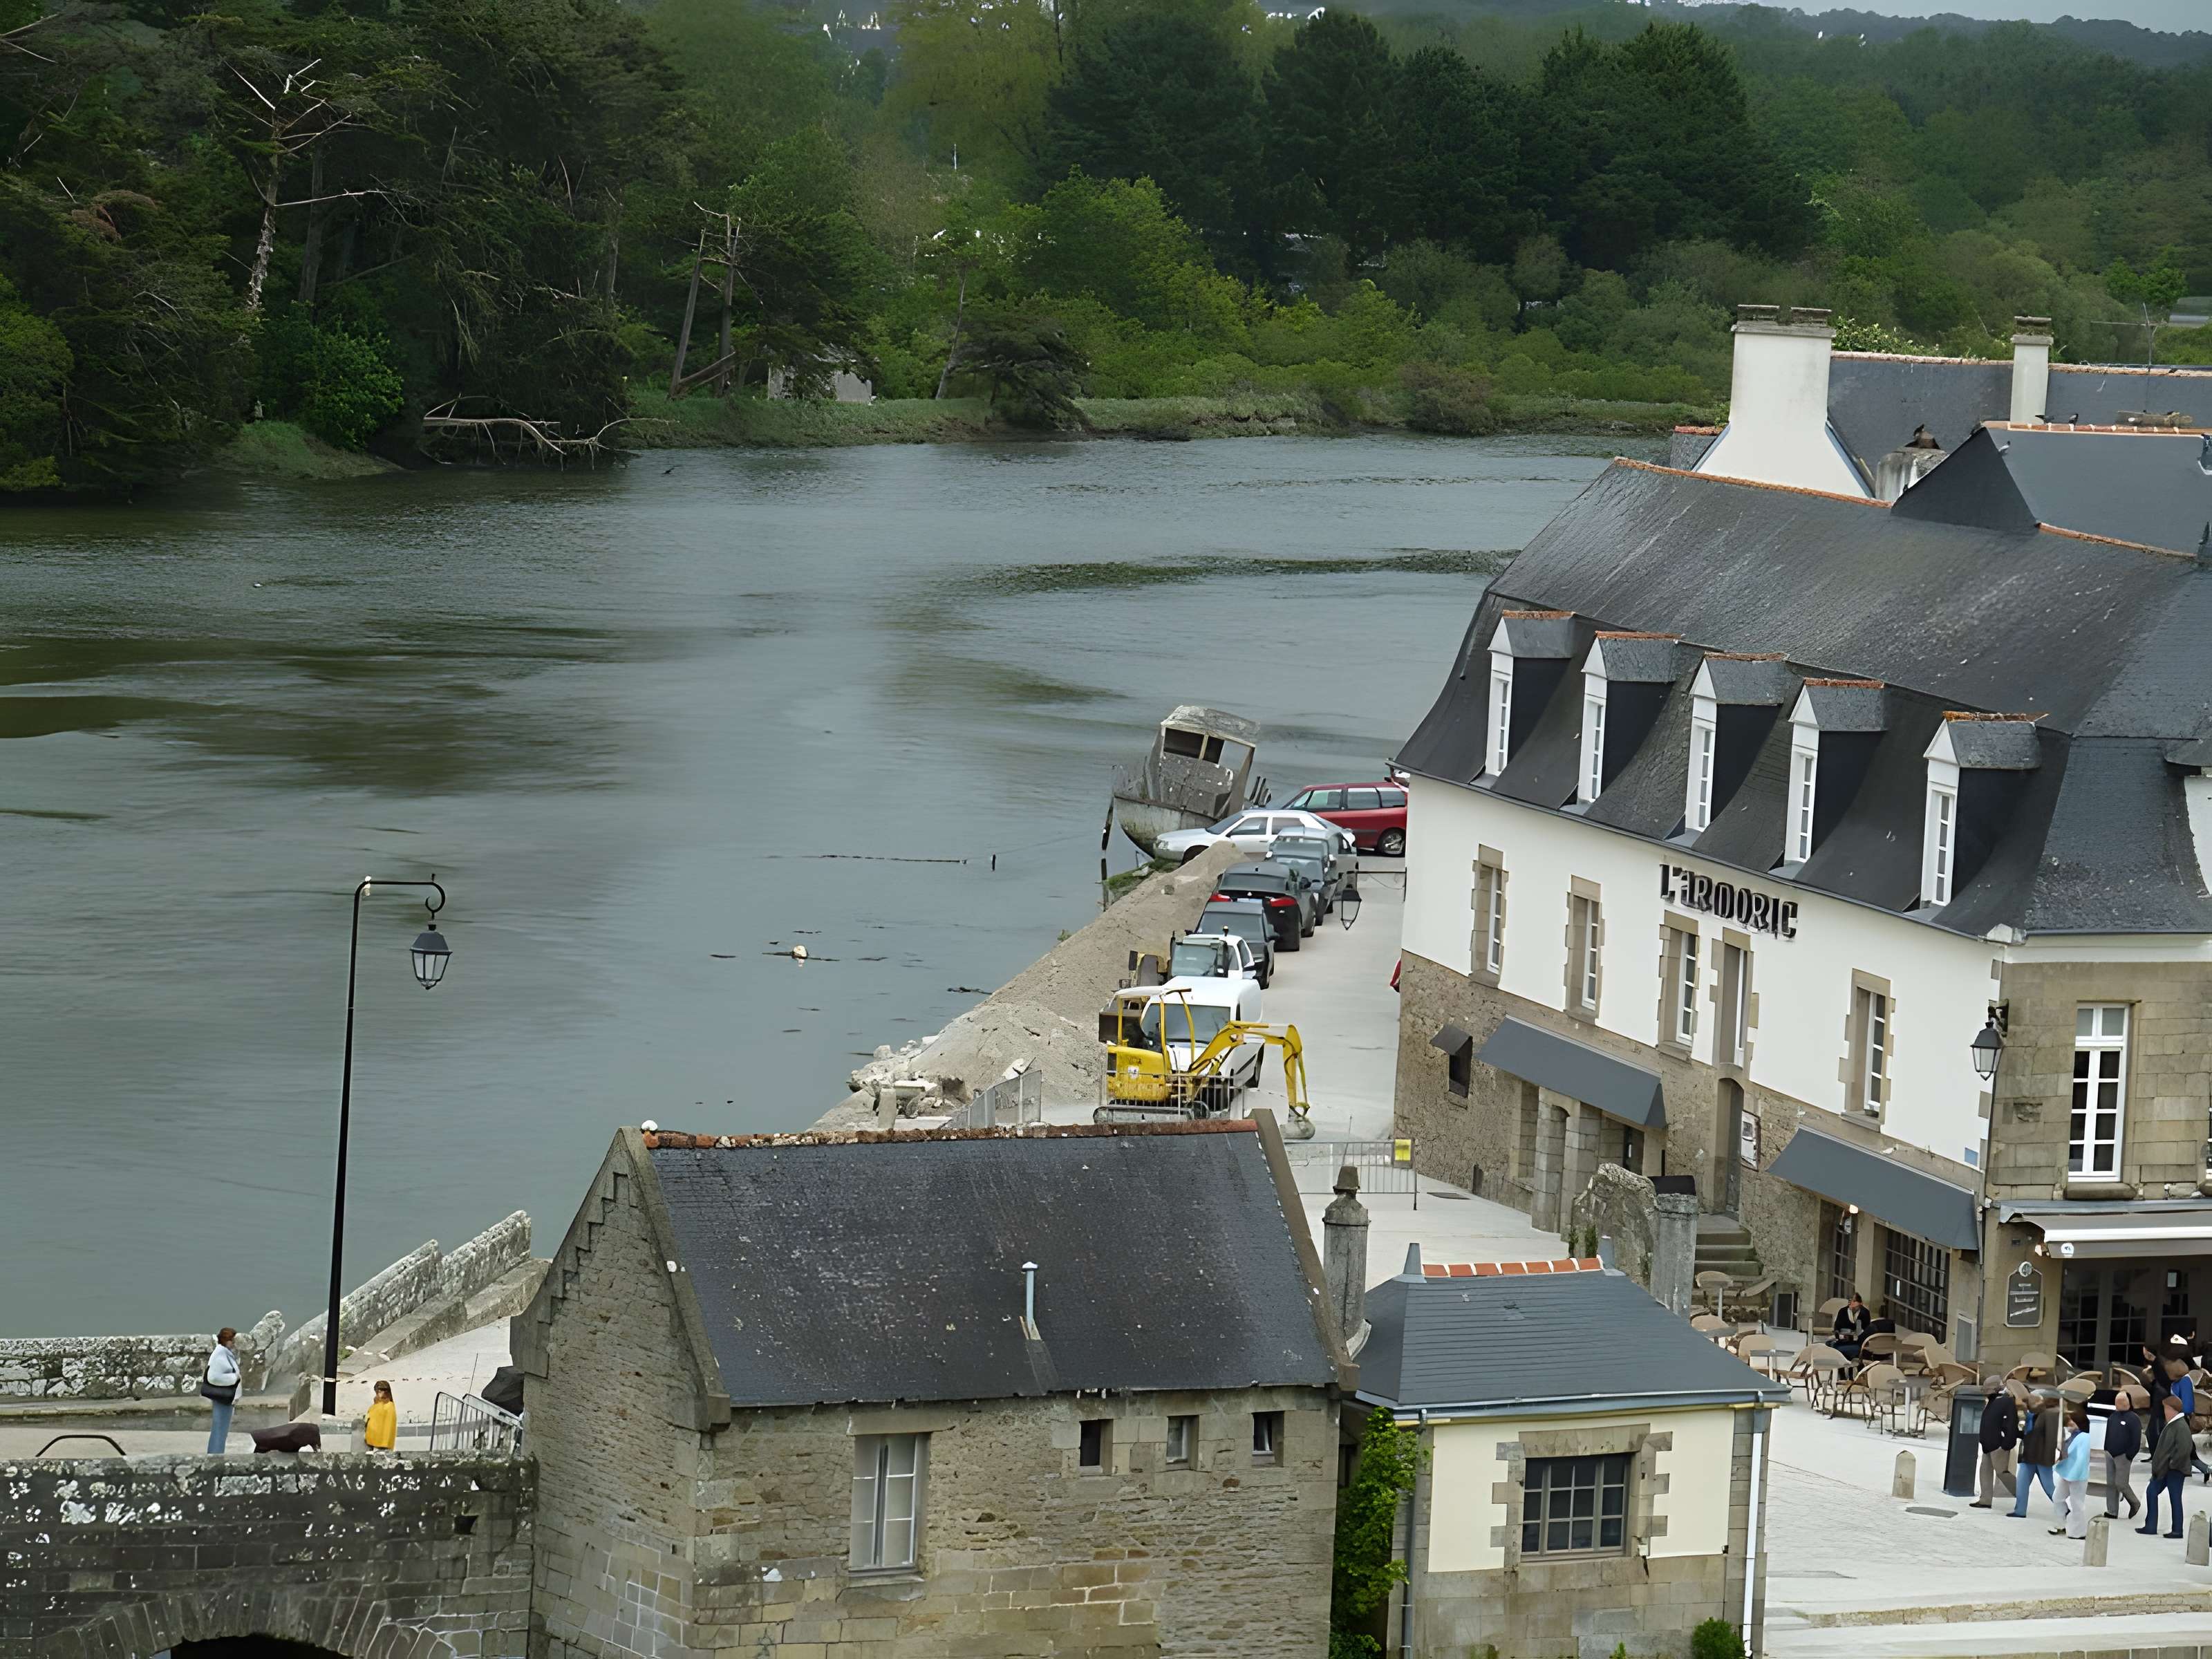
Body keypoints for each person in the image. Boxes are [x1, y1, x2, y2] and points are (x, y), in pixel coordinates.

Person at [2143, 1392, 2194, 1539]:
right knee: (2151, 1491)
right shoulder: (2173, 1424)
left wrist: (2171, 1464)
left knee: (2175, 1498)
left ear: (2173, 1409)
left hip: (2174, 1470)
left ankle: (2177, 1530)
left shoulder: (2180, 1426)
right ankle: (2151, 1526)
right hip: (2165, 1469)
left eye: (2166, 1408)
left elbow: (2184, 1449)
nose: (2164, 1412)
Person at [2009, 1391, 2060, 1519]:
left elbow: (2051, 1437)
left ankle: (2066, 1511)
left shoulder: (2050, 1413)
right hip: (2028, 1454)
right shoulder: (2030, 1415)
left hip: (2041, 1456)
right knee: (2022, 1483)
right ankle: (2020, 1510)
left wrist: (2050, 1457)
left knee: (2049, 1487)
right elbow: (2027, 1433)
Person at [1971, 1382, 2021, 1509]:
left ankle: (2021, 1493)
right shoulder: (1993, 1401)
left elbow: (2011, 1424)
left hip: (1998, 1444)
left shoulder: (2006, 1402)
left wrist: (2006, 1444)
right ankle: (1985, 1500)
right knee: (1985, 1472)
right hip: (1988, 1443)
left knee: (2002, 1473)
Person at [2052, 1406, 2094, 1537]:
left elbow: (2081, 1459)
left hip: (2077, 1475)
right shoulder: (2073, 1436)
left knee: (2077, 1504)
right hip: (2068, 1473)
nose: (2069, 1424)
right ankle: (2063, 1524)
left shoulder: (2084, 1438)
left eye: (2072, 1421)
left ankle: (2078, 1531)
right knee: (2058, 1498)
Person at [2106, 1386, 2144, 1520]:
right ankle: (2112, 1511)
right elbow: (2108, 1433)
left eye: (2122, 1401)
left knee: (2121, 1483)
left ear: (2128, 1403)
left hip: (2123, 1456)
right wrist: (2106, 1448)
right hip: (2110, 1453)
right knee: (2110, 1484)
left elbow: (2136, 1440)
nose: (2119, 1404)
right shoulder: (2113, 1416)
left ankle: (2134, 1502)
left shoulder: (2133, 1419)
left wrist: (2130, 1455)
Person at [201, 1327, 241, 1455]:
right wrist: (234, 1378)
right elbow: (213, 1377)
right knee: (220, 1428)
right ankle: (215, 1455)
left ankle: (216, 1454)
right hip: (222, 1398)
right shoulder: (220, 1354)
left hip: (226, 1398)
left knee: (221, 1428)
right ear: (226, 1340)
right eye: (232, 1341)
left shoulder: (224, 1353)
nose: (234, 1344)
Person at [1833, 1294, 1872, 1361]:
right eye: (1850, 1301)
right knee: (1833, 1346)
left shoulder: (1865, 1312)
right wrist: (1840, 1335)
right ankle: (1841, 1370)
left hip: (1859, 1342)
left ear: (1861, 1303)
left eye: (1854, 1301)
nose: (1851, 1303)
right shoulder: (1843, 1311)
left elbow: (1866, 1330)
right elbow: (1837, 1327)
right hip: (1844, 1341)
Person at [365, 1380, 397, 1454]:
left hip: (382, 1446)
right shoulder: (375, 1406)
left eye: (379, 1392)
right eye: (377, 1392)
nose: (377, 1394)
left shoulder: (389, 1407)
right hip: (374, 1445)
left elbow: (388, 1428)